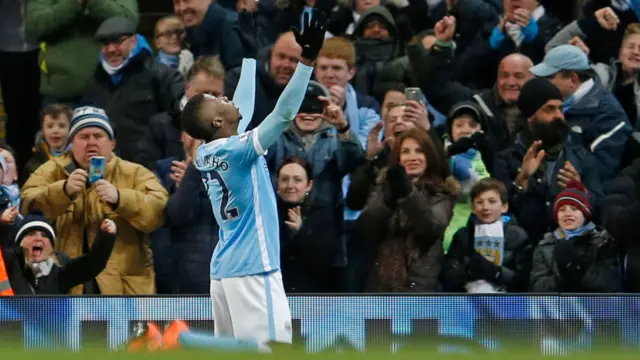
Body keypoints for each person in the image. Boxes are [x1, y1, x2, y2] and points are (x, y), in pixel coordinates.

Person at [147, 9, 328, 353]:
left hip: (225, 271)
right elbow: (284, 114)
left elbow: (240, 108)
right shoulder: (238, 150)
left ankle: (182, 341)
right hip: (253, 268)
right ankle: (180, 340)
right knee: (273, 350)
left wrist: (247, 57)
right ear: (216, 121)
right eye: (218, 99)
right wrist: (306, 61)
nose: (226, 97)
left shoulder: (207, 153)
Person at [441, 178, 532, 293]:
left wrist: (497, 272)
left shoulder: (518, 236)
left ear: (504, 207)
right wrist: (468, 272)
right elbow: (447, 276)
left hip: (508, 304)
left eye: (492, 201)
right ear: (473, 208)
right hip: (467, 304)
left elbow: (524, 281)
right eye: (479, 202)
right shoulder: (463, 235)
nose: (485, 207)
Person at [529, 181, 620, 292]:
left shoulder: (602, 242)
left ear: (584, 214)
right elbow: (536, 286)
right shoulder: (544, 247)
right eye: (562, 210)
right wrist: (563, 278)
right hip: (558, 307)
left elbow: (610, 283)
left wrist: (581, 271)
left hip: (593, 306)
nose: (568, 214)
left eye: (574, 209)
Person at [0, 210, 117, 295]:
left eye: (45, 236)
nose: (39, 238)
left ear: (51, 246)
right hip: (14, 326)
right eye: (31, 234)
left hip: (54, 327)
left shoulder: (61, 267)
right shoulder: (10, 263)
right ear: (20, 242)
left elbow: (92, 264)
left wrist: (105, 238)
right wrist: (4, 226)